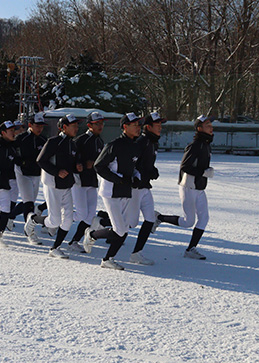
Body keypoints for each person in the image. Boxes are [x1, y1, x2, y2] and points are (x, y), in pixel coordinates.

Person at [83, 112, 144, 270]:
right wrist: (119, 179)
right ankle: (92, 236)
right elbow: (99, 166)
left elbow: (134, 168)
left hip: (126, 191)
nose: (139, 127)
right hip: (111, 192)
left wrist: (137, 176)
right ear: (125, 127)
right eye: (135, 125)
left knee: (123, 230)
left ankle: (107, 258)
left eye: (139, 124)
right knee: (120, 230)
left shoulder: (136, 146)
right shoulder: (114, 145)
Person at [157, 114, 215, 259]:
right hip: (188, 187)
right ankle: (159, 217)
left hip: (200, 188)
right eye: (207, 125)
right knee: (188, 222)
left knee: (204, 218)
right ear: (199, 128)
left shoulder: (206, 144)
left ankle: (190, 249)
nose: (211, 127)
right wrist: (203, 172)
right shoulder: (194, 146)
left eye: (211, 124)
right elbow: (185, 167)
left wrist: (204, 174)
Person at [32, 114, 83, 259]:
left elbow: (70, 163)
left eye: (77, 125)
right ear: (64, 127)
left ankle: (55, 248)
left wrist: (76, 166)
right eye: (74, 126)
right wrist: (56, 172)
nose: (76, 128)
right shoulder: (54, 141)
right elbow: (41, 160)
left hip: (67, 185)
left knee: (67, 220)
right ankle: (34, 219)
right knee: (54, 221)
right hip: (52, 183)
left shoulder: (72, 144)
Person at [128, 111, 167, 265]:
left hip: (145, 187)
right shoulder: (141, 142)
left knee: (150, 219)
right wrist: (144, 173)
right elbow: (132, 164)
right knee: (130, 223)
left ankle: (136, 254)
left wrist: (153, 170)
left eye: (160, 125)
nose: (160, 128)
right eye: (157, 125)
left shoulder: (153, 142)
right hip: (135, 187)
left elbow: (147, 163)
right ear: (148, 127)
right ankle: (100, 225)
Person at [67, 111, 106, 252]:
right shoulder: (81, 140)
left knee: (89, 216)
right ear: (89, 125)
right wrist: (80, 163)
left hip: (92, 180)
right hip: (79, 180)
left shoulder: (100, 141)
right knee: (81, 214)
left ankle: (73, 242)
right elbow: (70, 156)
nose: (100, 126)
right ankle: (53, 219)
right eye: (97, 124)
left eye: (102, 123)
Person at [17, 112, 48, 244]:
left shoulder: (43, 140)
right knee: (29, 203)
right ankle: (30, 232)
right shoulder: (21, 138)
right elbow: (13, 153)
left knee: (29, 202)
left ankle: (11, 216)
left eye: (42, 125)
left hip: (36, 174)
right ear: (30, 125)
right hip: (22, 173)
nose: (40, 128)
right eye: (37, 125)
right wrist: (22, 163)